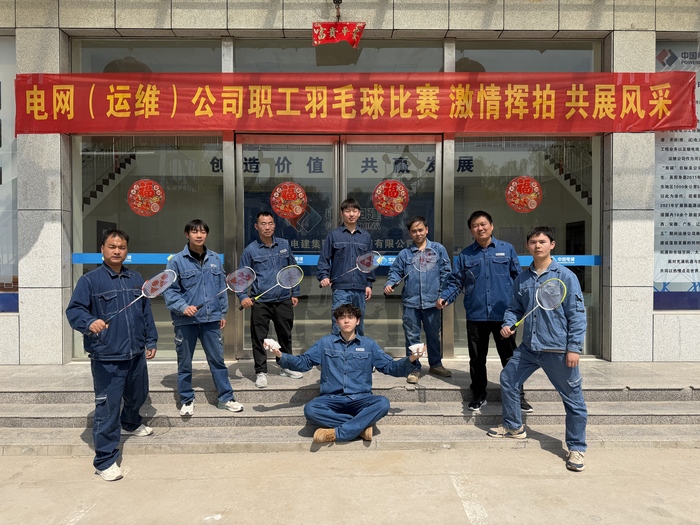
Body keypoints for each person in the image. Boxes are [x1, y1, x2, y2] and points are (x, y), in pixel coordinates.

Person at [487, 226, 588, 473]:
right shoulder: (522, 279)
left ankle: (577, 447)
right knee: (508, 379)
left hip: (558, 349)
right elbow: (514, 308)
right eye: (533, 242)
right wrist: (508, 324)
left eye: (542, 241)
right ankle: (514, 427)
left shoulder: (565, 277)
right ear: (528, 246)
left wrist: (574, 348)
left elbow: (577, 315)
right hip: (529, 348)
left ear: (552, 245)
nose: (537, 245)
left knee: (573, 400)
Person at [66, 229, 158, 482]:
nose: (117, 251)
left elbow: (145, 311)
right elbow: (74, 311)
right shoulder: (90, 281)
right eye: (112, 246)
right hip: (107, 356)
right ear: (103, 249)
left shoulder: (135, 278)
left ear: (127, 250)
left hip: (135, 353)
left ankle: (130, 422)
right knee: (107, 409)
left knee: (138, 394)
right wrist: (89, 322)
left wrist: (150, 339)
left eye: (122, 247)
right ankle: (105, 460)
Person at [267, 304, 425, 443]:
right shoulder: (325, 343)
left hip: (360, 398)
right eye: (342, 318)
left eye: (351, 317)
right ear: (337, 322)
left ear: (358, 321)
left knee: (382, 403)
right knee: (311, 409)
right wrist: (279, 355)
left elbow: (390, 367)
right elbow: (304, 362)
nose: (346, 321)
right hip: (331, 399)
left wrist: (412, 358)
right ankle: (360, 427)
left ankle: (338, 433)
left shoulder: (368, 344)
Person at [437, 210, 532, 412]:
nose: (480, 228)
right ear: (471, 230)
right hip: (476, 314)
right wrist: (445, 297)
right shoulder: (465, 255)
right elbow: (456, 282)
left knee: (510, 358)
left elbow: (518, 279)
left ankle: (517, 396)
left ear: (491, 225)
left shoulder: (507, 249)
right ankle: (479, 395)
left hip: (504, 316)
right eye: (475, 226)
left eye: (483, 224)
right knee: (477, 359)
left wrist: (525, 302)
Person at [164, 219, 243, 416]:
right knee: (185, 364)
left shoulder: (215, 258)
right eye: (194, 231)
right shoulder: (176, 261)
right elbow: (169, 290)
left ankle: (226, 398)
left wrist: (222, 313)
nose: (199, 235)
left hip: (210, 320)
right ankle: (186, 399)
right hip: (185, 322)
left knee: (217, 361)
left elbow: (221, 288)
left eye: (202, 232)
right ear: (187, 234)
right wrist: (183, 307)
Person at [384, 216, 452, 383]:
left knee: (433, 335)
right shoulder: (405, 254)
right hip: (411, 303)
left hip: (433, 302)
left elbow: (446, 273)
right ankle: (414, 368)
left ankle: (436, 364)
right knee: (412, 337)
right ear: (409, 233)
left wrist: (443, 295)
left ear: (426, 230)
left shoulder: (438, 249)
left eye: (420, 230)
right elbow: (395, 272)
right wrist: (390, 283)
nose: (418, 233)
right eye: (414, 231)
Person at [238, 211, 302, 389]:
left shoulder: (284, 245)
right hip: (261, 302)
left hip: (283, 299)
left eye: (270, 223)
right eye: (263, 224)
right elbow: (242, 277)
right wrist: (243, 296)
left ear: (275, 225)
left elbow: (292, 269)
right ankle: (261, 372)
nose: (267, 227)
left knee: (285, 336)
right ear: (256, 226)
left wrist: (295, 293)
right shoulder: (250, 250)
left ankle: (286, 366)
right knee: (259, 338)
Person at [318, 198, 374, 336]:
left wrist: (369, 284)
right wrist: (324, 276)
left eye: (354, 211)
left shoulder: (365, 237)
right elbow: (324, 259)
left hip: (360, 288)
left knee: (358, 324)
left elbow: (369, 263)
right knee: (339, 323)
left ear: (359, 213)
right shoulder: (333, 235)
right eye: (348, 211)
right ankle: (337, 350)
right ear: (341, 213)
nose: (351, 214)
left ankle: (358, 349)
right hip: (341, 289)